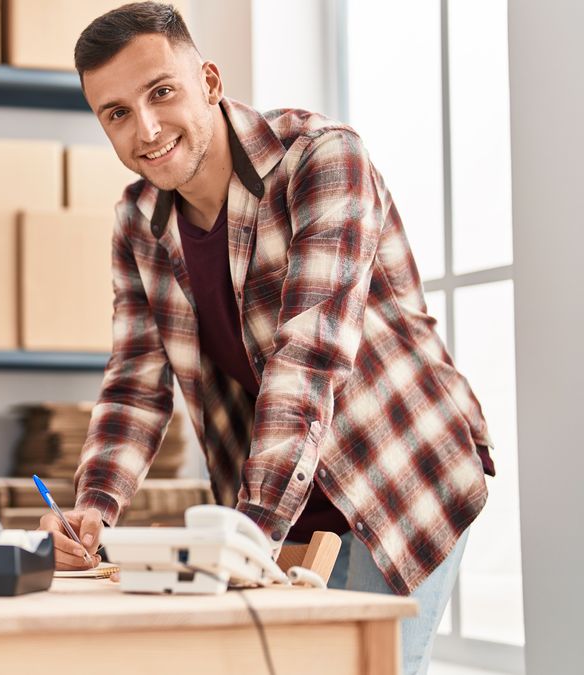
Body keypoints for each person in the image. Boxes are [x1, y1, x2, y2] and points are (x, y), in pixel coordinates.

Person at [37, 4, 494, 674]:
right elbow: (135, 382)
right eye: (117, 113)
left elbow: (309, 356)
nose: (147, 129)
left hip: (397, 474)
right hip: (281, 497)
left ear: (210, 81)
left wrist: (248, 532)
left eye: (161, 92)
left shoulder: (323, 158)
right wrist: (94, 511)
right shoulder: (138, 220)